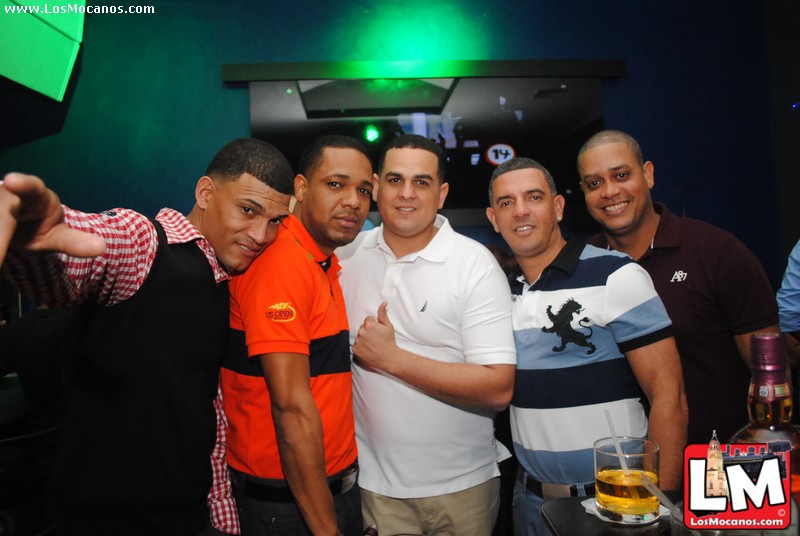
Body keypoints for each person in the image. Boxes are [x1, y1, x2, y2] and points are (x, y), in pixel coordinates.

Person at [0, 138, 294, 536]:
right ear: (206, 193)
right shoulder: (145, 243)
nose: (261, 234)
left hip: (188, 518)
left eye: (275, 221)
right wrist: (32, 234)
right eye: (248, 210)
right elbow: (89, 249)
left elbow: (205, 411)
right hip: (104, 523)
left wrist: (221, 517)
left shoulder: (221, 280)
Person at [485, 157, 687, 536]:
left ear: (558, 207)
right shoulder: (497, 293)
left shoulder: (616, 275)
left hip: (616, 502)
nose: (521, 211)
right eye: (506, 202)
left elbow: (669, 396)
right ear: (493, 218)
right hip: (529, 503)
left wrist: (662, 505)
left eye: (534, 197)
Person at [337, 134, 517, 535]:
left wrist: (392, 359)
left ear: (442, 193)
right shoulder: (345, 258)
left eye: (422, 182)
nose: (406, 194)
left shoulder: (474, 264)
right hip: (373, 488)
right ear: (377, 185)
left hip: (462, 489)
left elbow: (498, 387)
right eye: (395, 180)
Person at [577, 130, 780, 444]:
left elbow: (769, 370)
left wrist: (764, 450)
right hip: (621, 469)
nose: (609, 191)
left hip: (717, 464)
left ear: (648, 175)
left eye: (621, 175)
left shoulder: (716, 252)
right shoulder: (582, 267)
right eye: (594, 183)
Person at [219, 135, 373, 536]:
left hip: (325, 493)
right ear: (301, 189)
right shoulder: (282, 263)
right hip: (287, 506)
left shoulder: (320, 261)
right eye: (336, 184)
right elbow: (290, 410)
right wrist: (326, 529)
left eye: (363, 189)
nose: (353, 201)